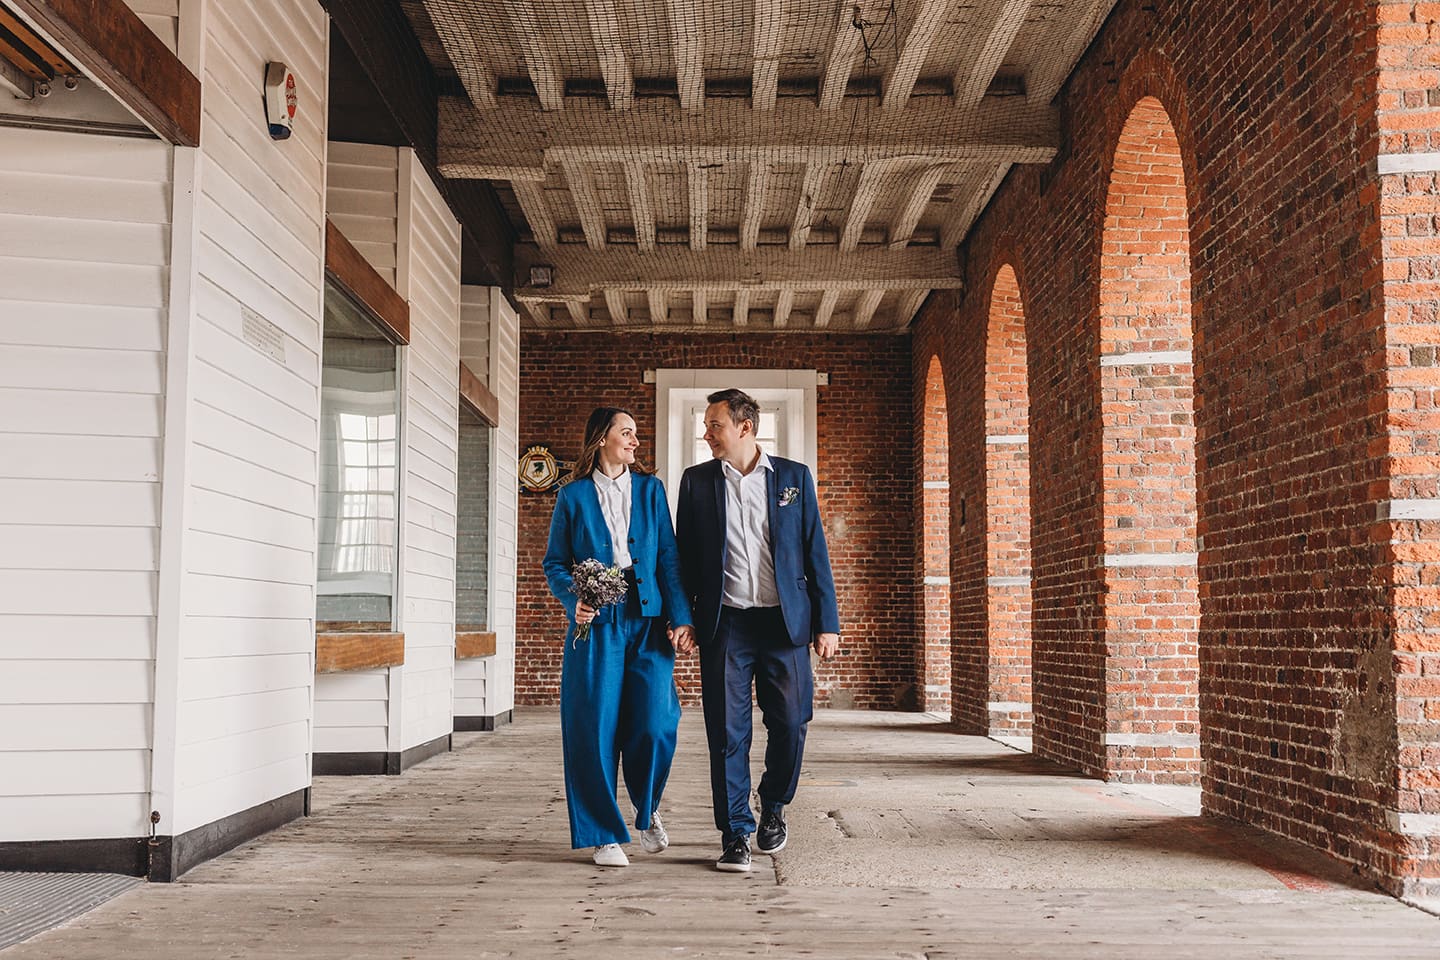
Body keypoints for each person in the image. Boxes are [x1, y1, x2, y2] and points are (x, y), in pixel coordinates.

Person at [675, 388, 840, 873]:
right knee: (726, 732)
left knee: (791, 723)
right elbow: (683, 560)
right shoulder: (696, 482)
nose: (707, 434)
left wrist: (826, 622)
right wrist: (681, 616)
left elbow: (815, 552)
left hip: (785, 623)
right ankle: (735, 833)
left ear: (745, 427)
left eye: (715, 426)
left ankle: (773, 806)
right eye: (706, 427)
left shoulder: (792, 478)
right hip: (725, 623)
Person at [543, 407, 695, 868]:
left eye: (635, 434)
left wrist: (681, 616)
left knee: (656, 720)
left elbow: (668, 556)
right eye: (626, 433)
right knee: (594, 726)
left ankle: (646, 812)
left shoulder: (651, 491)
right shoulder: (571, 497)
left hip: (648, 620)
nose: (634, 441)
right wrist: (575, 601)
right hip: (596, 623)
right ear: (602, 439)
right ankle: (603, 833)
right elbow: (554, 563)